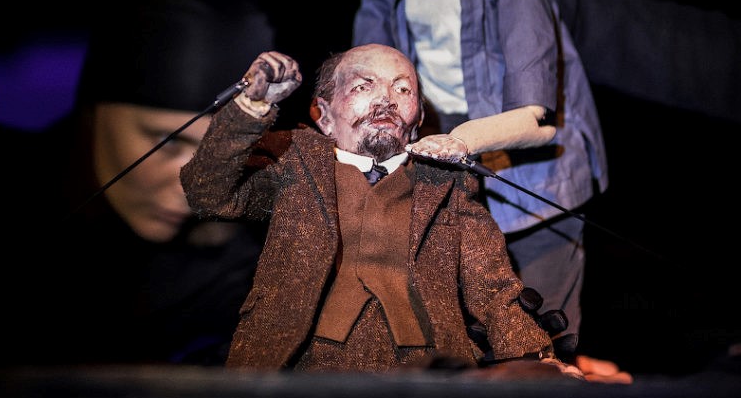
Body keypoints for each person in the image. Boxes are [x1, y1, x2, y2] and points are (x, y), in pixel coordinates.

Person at [343, 0, 611, 373]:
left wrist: (458, 142)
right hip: (441, 192)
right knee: (451, 345)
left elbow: (537, 120)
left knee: (540, 345)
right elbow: (357, 107)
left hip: (533, 187)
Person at [180, 43, 583, 377]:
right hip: (302, 369)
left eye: (403, 90)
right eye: (363, 86)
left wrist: (537, 362)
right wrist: (251, 108)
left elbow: (491, 286)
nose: (386, 99)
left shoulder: (450, 184)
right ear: (323, 115)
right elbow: (206, 192)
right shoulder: (294, 165)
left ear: (419, 118)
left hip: (427, 370)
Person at [6, 0, 278, 368]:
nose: (193, 184)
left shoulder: (249, 272)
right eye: (167, 142)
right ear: (93, 113)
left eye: (230, 152)